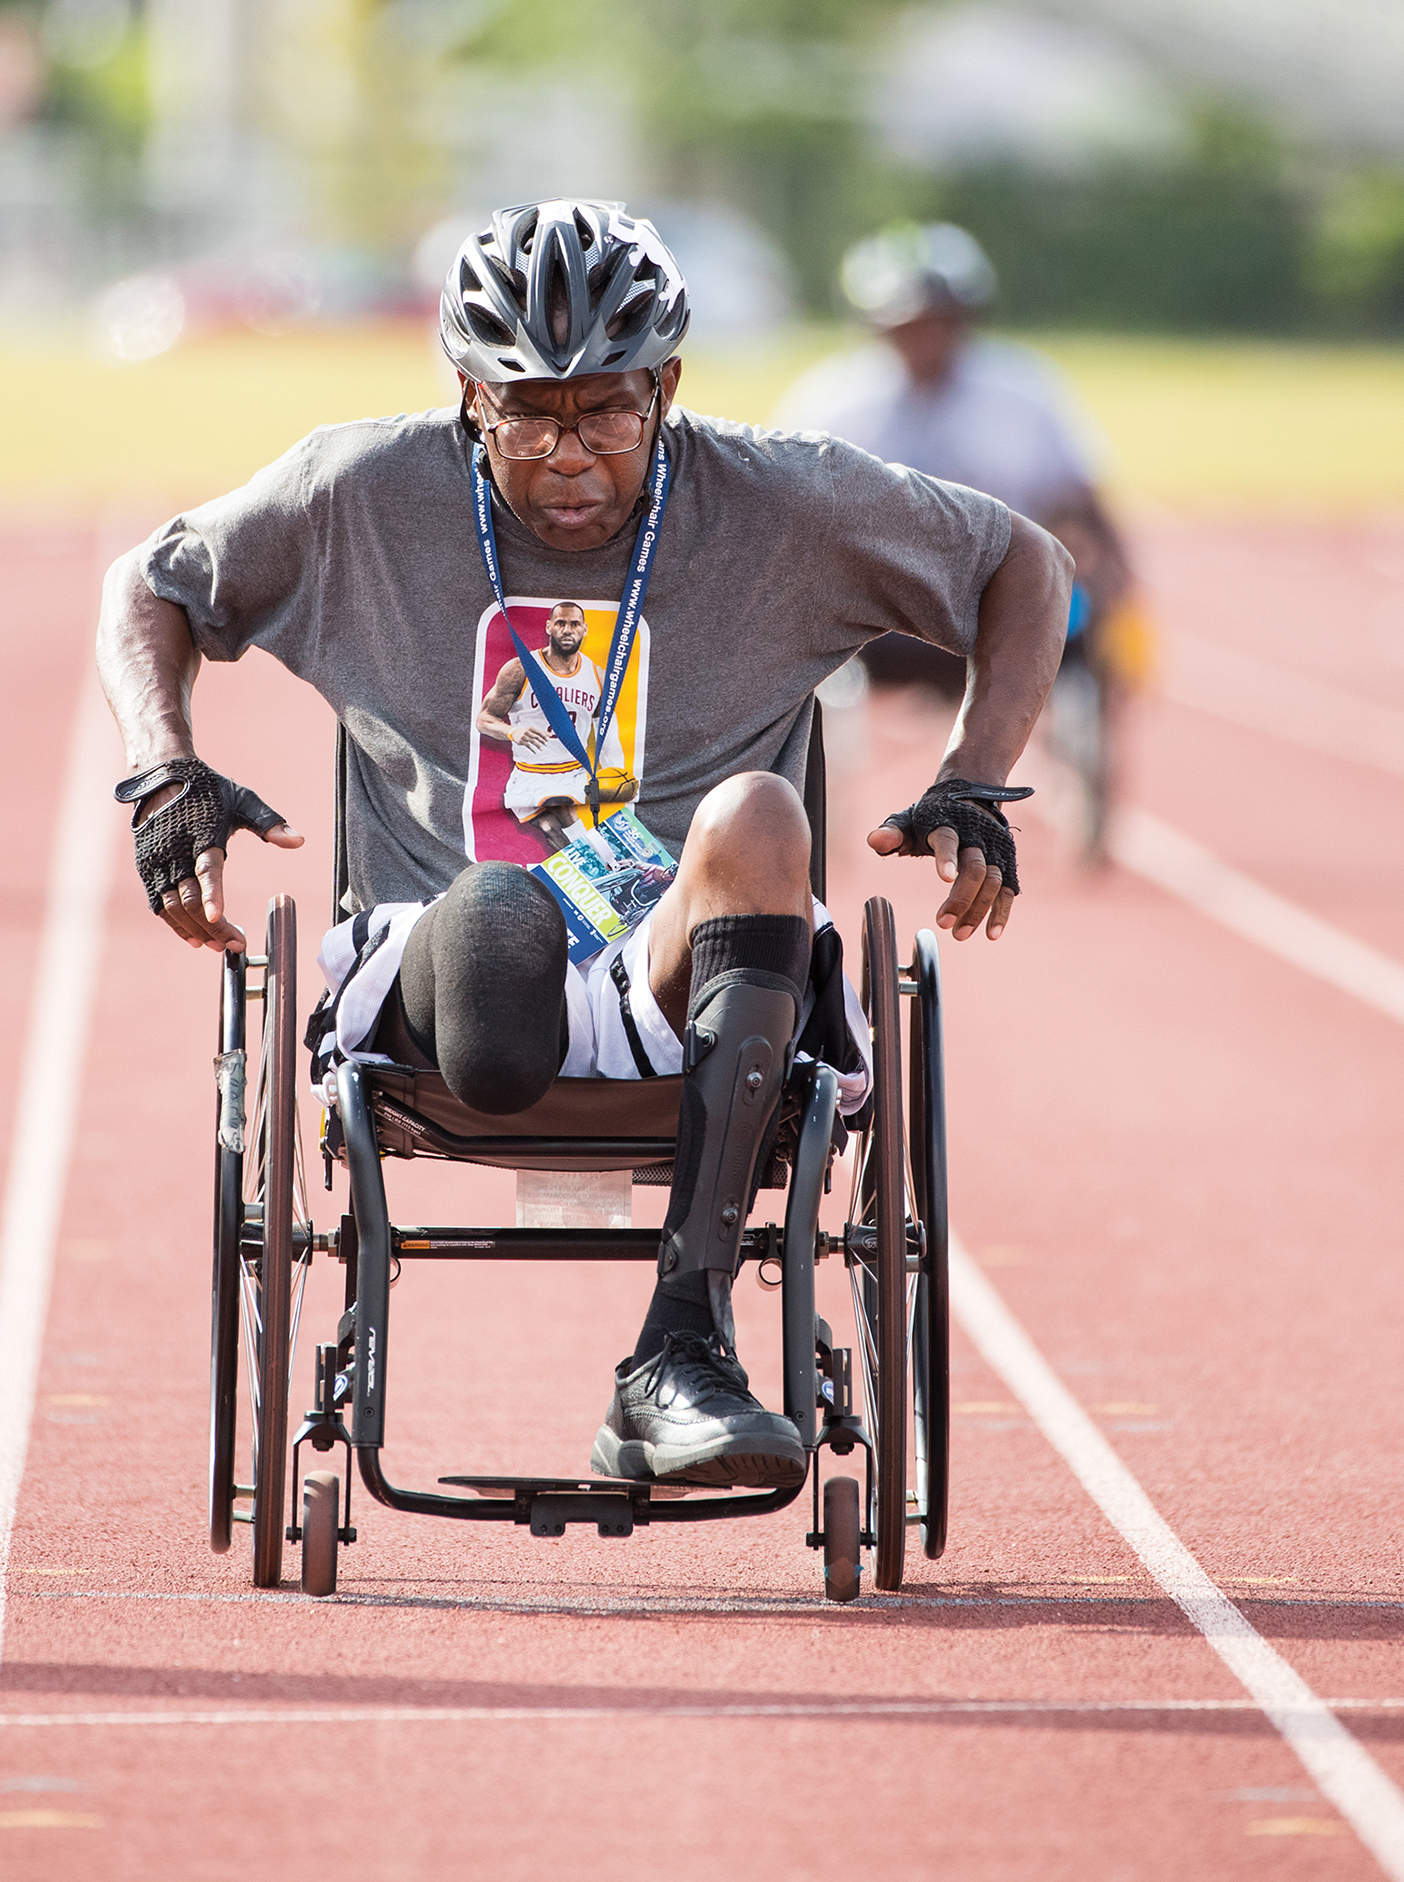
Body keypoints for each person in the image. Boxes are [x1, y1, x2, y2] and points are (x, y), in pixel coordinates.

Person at [98, 198, 1070, 1494]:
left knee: (761, 818)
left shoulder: (784, 504)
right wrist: (165, 769)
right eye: (527, 412)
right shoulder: (360, 494)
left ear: (665, 386)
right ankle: (509, 951)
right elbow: (151, 585)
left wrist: (978, 778)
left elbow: (1025, 565)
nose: (568, 454)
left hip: (694, 973)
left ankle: (681, 1350)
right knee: (504, 914)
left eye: (606, 410)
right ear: (467, 392)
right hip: (432, 973)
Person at [774, 221, 1134, 704]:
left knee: (1083, 612)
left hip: (1012, 601)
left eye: (940, 321)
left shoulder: (1025, 391)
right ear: (877, 325)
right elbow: (783, 512)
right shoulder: (833, 402)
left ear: (967, 318)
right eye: (907, 324)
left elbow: (1081, 498)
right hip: (878, 615)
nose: (925, 338)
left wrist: (1121, 596)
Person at [476, 598, 635, 852]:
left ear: (584, 629)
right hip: (529, 773)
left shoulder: (598, 677)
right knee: (550, 828)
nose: (567, 629)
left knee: (567, 816)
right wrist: (510, 731)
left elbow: (605, 730)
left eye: (574, 624)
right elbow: (483, 719)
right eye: (560, 623)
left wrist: (615, 770)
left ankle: (605, 868)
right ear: (549, 627)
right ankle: (590, 871)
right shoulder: (519, 669)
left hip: (570, 773)